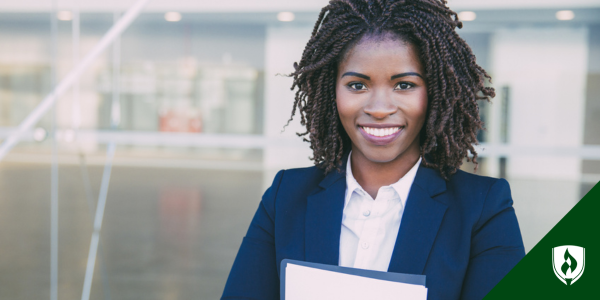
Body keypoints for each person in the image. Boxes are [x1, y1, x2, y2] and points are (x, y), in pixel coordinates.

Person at [222, 0, 525, 299]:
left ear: (434, 91)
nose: (379, 109)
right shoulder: (285, 196)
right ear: (332, 91)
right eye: (357, 85)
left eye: (404, 85)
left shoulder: (483, 209)